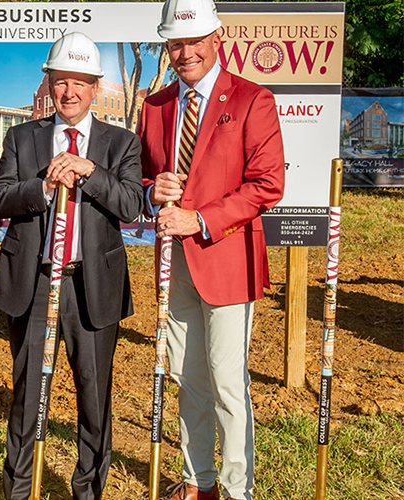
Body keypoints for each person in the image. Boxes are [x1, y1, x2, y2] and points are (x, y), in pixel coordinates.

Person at [0, 32, 144, 500]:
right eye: (60, 81)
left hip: (91, 287)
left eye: (79, 82)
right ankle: (18, 491)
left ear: (95, 86)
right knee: (28, 396)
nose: (69, 91)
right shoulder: (22, 137)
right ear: (48, 83)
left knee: (94, 399)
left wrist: (90, 171)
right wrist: (43, 187)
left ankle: (87, 491)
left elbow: (132, 204)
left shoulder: (120, 143)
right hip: (34, 284)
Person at [138, 0, 285, 498]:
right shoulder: (155, 106)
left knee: (226, 381)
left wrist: (199, 219)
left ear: (215, 39)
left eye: (193, 42)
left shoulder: (251, 99)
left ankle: (236, 487)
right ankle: (198, 481)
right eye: (176, 44)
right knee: (186, 376)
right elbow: (142, 177)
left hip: (226, 260)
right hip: (175, 264)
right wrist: (150, 191)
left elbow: (266, 184)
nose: (185, 53)